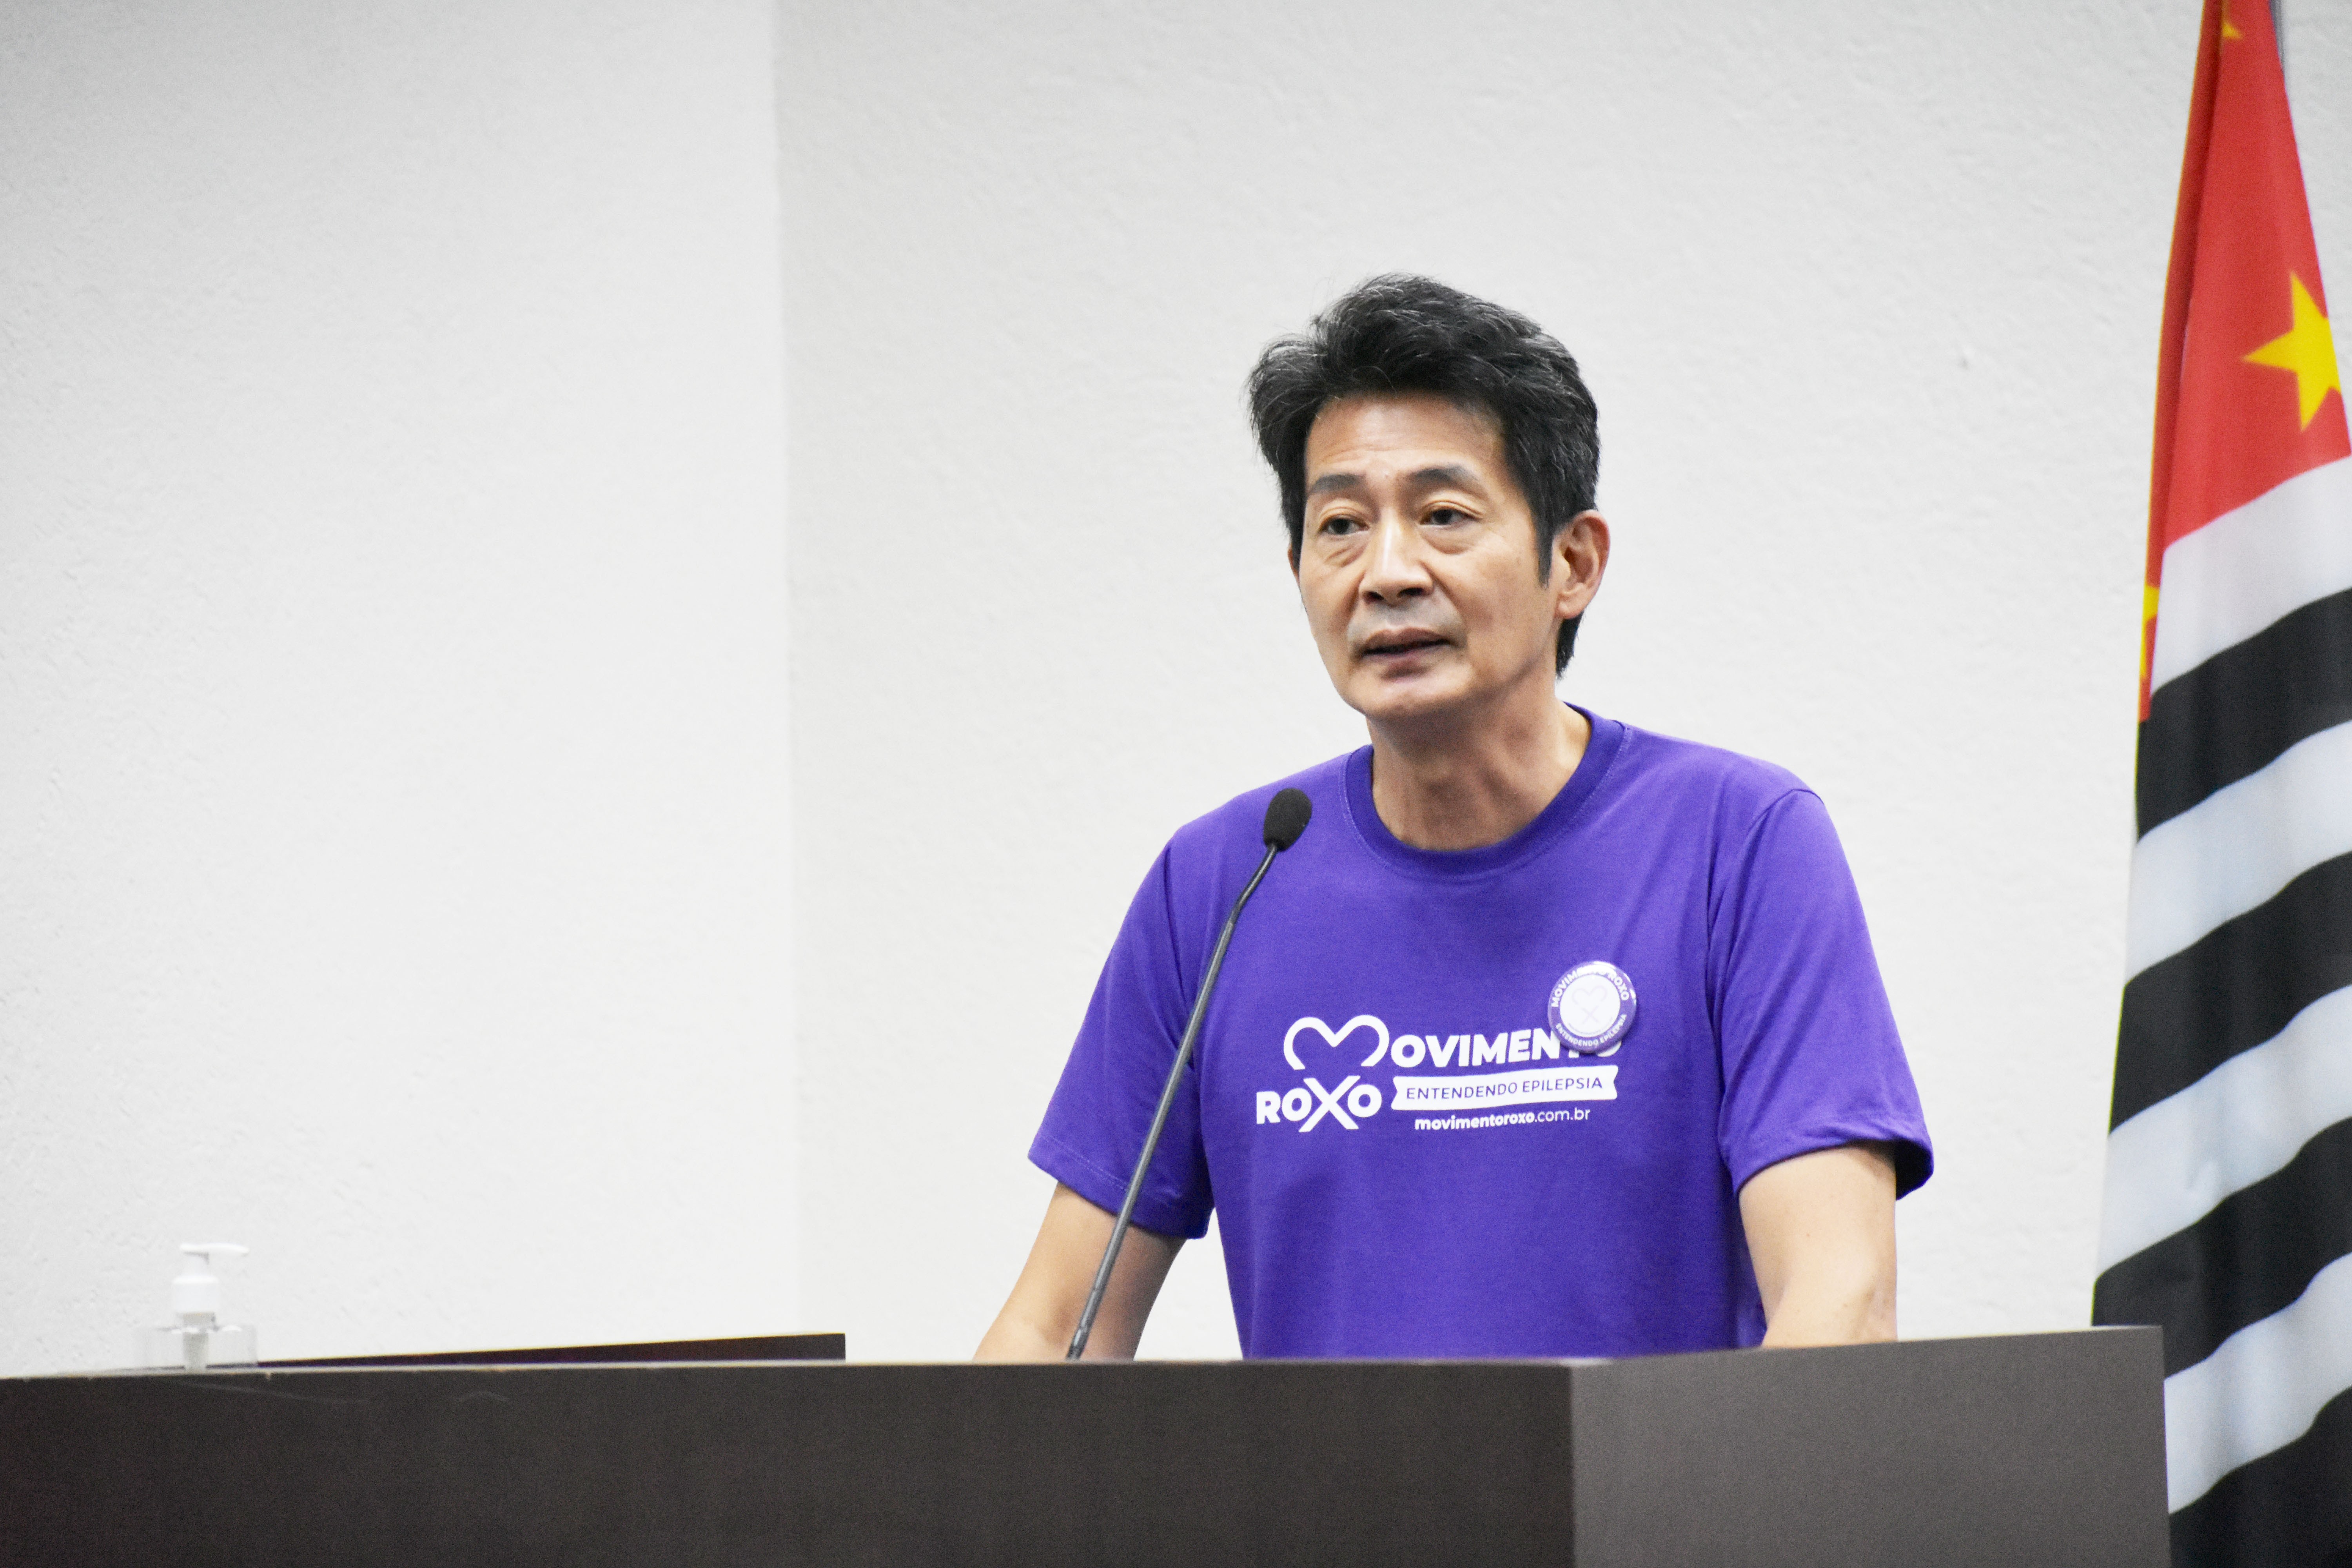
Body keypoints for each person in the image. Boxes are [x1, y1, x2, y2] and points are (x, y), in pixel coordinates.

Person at [976, 276, 1931, 1361]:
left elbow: (1840, 1303)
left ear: (1572, 564)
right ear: (1299, 572)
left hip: (1653, 1482)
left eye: (1443, 516)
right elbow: (1053, 1327)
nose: (1387, 573)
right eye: (1341, 526)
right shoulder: (1221, 886)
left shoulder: (1738, 845)